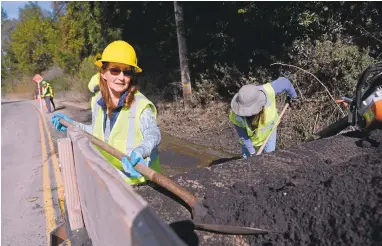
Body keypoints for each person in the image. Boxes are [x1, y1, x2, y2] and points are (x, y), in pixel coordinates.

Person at [51, 40, 161, 185]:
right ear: (103, 73)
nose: (121, 77)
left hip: (141, 182)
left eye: (127, 72)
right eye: (115, 70)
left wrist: (141, 151)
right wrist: (74, 125)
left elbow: (154, 134)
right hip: (112, 179)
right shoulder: (98, 101)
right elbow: (98, 134)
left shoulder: (140, 105)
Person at [229, 77, 298, 158]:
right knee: (246, 160)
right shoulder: (235, 116)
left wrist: (294, 97)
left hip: (269, 130)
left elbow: (285, 82)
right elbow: (244, 137)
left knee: (269, 158)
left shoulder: (268, 91)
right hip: (250, 140)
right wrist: (252, 152)